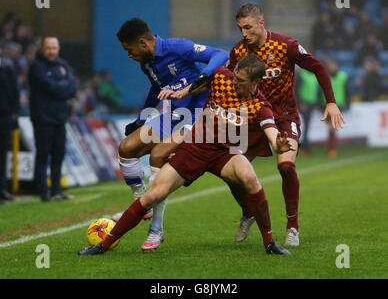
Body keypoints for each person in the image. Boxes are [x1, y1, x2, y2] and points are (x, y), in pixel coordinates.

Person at [78, 54, 294, 256]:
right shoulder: (221, 76)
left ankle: (269, 243)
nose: (235, 82)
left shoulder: (260, 106)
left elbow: (272, 131)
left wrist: (279, 144)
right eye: (236, 75)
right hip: (195, 147)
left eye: (242, 80)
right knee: (153, 195)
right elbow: (200, 84)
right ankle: (104, 244)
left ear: (256, 82)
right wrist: (183, 92)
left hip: (225, 153)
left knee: (249, 177)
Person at [226, 3, 345, 246]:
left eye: (248, 27)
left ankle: (292, 227)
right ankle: (248, 212)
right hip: (252, 118)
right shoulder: (238, 51)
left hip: (284, 116)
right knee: (230, 172)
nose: (244, 33)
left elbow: (318, 68)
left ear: (261, 22)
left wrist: (331, 102)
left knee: (286, 168)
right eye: (240, 28)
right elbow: (228, 82)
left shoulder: (285, 46)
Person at [114, 18, 229, 251]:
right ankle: (141, 203)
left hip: (199, 115)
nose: (129, 55)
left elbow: (220, 54)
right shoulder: (146, 63)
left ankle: (156, 229)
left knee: (158, 155)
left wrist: (203, 76)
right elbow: (157, 87)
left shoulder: (177, 47)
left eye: (130, 50)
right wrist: (141, 119)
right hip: (175, 115)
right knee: (126, 148)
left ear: (143, 43)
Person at [28, 36, 77, 201]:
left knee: (58, 154)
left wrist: (59, 88)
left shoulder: (63, 65)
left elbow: (73, 87)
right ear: (42, 48)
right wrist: (62, 88)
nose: (51, 51)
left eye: (54, 48)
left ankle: (56, 190)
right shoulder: (36, 66)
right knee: (43, 154)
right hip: (42, 118)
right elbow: (50, 87)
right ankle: (43, 191)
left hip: (60, 117)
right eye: (48, 48)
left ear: (58, 49)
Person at [0, 43, 19, 202]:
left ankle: (2, 189)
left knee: (2, 154)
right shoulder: (7, 67)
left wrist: (14, 113)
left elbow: (14, 92)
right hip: (5, 114)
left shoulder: (7, 68)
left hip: (3, 115)